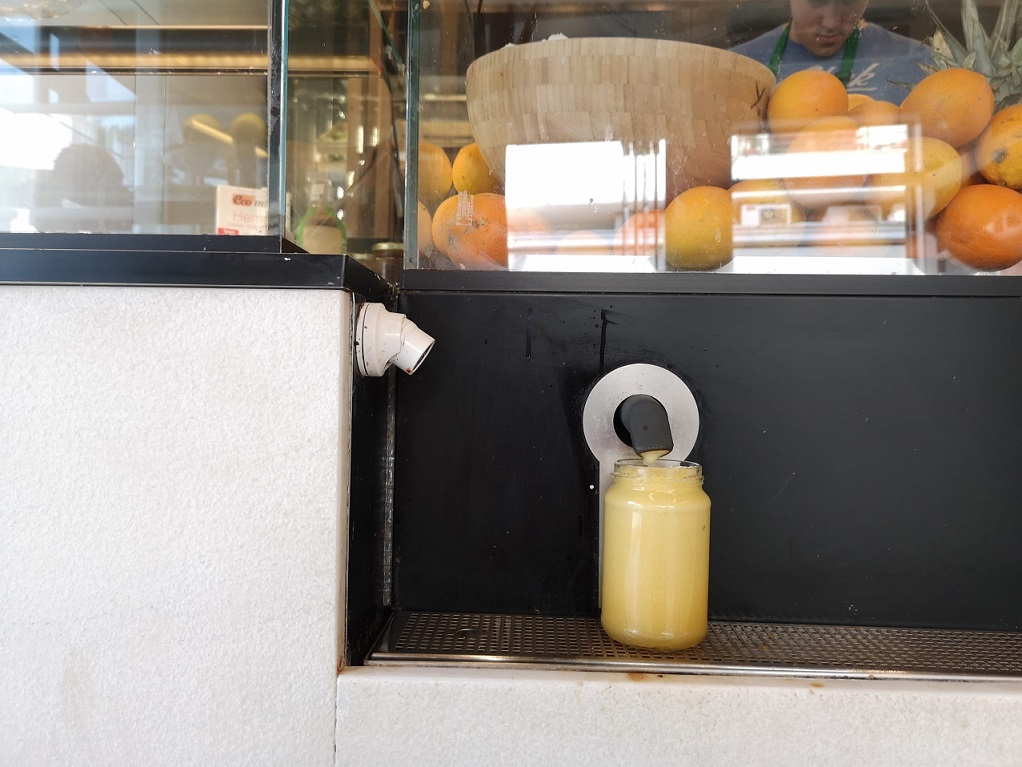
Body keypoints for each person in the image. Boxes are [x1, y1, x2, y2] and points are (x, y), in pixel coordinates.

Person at [732, 0, 934, 105]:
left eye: (848, 0)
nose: (830, 23)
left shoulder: (917, 63)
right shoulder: (734, 67)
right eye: (816, 0)